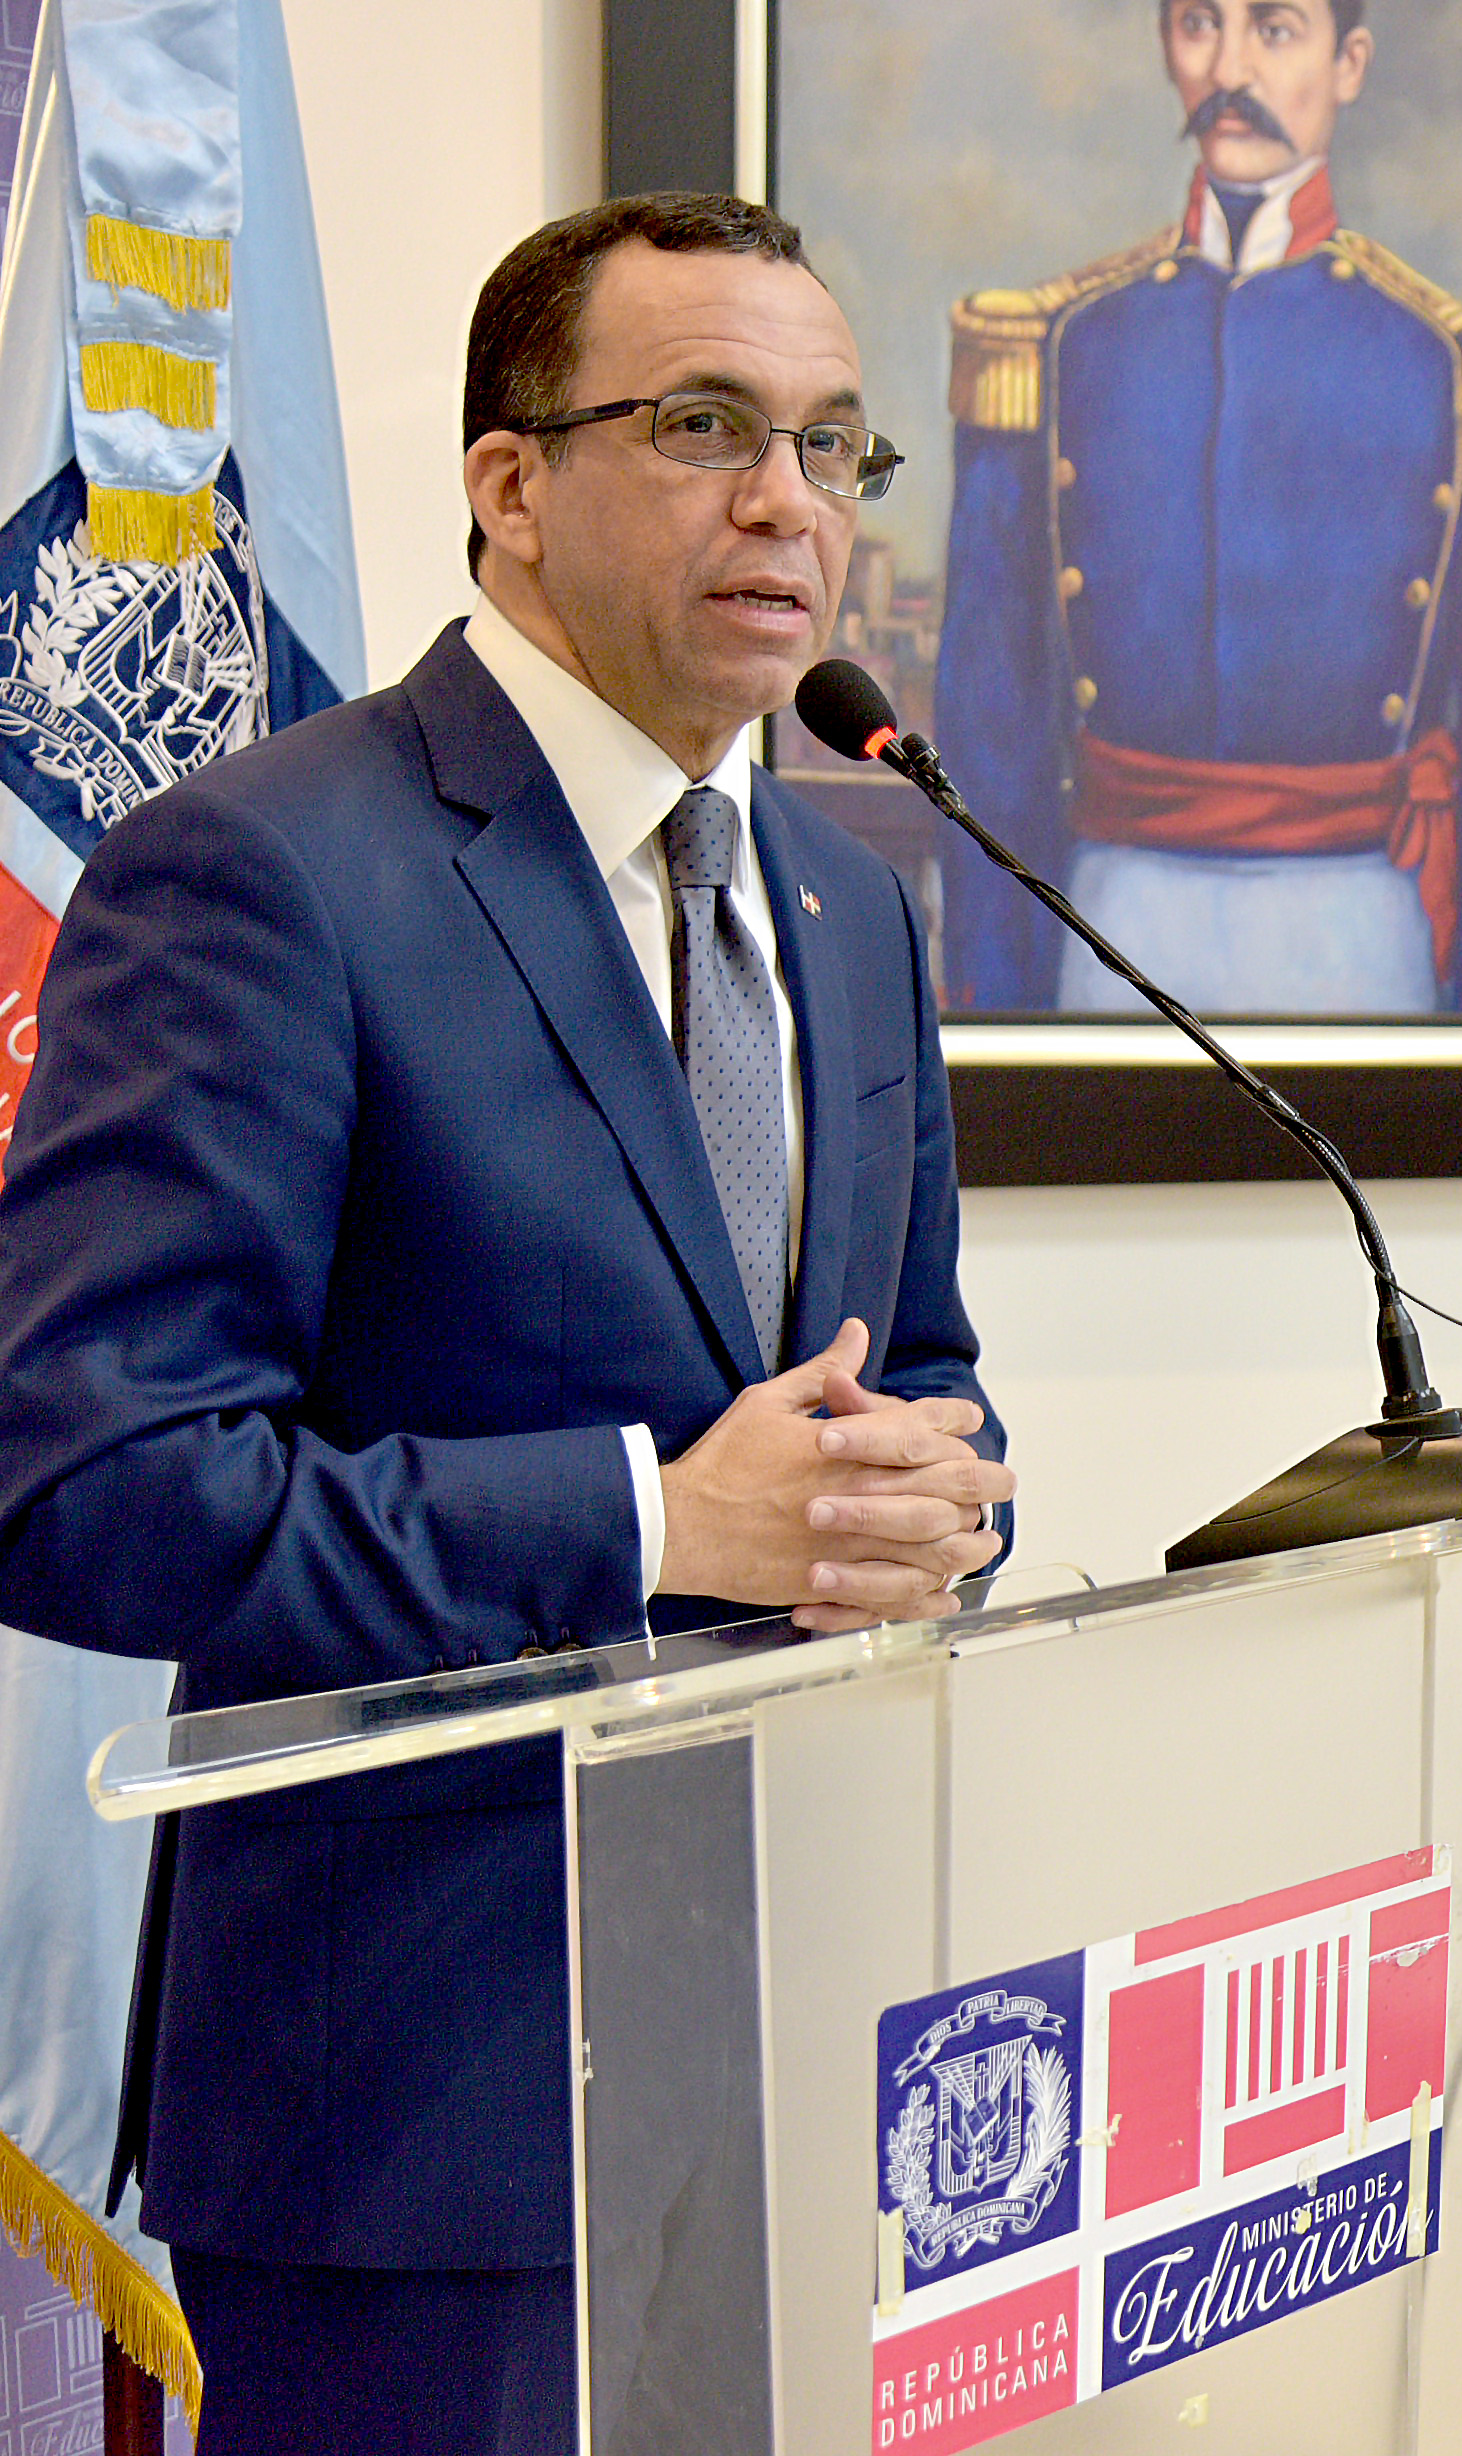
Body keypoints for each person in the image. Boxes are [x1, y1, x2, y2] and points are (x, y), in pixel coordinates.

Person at [0, 194, 1017, 2448]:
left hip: (797, 2026)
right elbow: (90, 1485)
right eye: (702, 424)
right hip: (419, 2106)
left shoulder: (851, 908)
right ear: (509, 485)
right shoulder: (266, 872)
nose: (789, 502)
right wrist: (654, 1519)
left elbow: (920, 1374)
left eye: (837, 448)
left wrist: (942, 1501)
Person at [935, 0, 1462, 1018]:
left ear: (1350, 61)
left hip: (1364, 934)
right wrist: (997, 998)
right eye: (1199, 23)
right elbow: (990, 714)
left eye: (1273, 28)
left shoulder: (1453, 361)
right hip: (1105, 922)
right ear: (1164, 47)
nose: (1231, 66)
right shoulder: (1056, 344)